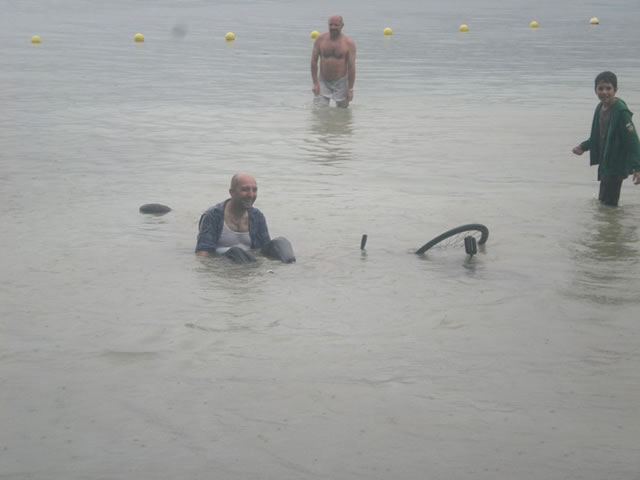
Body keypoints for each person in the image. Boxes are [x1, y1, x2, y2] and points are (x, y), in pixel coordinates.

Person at [572, 71, 640, 206]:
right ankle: (611, 225)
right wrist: (583, 147)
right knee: (604, 203)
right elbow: (598, 135)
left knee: (609, 205)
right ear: (595, 90)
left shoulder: (621, 112)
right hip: (606, 162)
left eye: (608, 88)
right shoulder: (600, 108)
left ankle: (613, 225)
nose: (605, 92)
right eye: (601, 88)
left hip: (616, 164)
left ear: (615, 90)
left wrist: (637, 168)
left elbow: (633, 141)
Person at [195, 173, 295, 263]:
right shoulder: (213, 216)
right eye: (245, 190)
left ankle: (290, 271)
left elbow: (264, 250)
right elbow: (202, 254)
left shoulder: (257, 216)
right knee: (236, 251)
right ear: (232, 192)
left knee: (281, 242)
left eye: (254, 190)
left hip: (251, 259)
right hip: (227, 259)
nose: (251, 195)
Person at [311, 14, 356, 108]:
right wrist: (315, 83)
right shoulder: (320, 39)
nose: (333, 27)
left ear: (342, 26)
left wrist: (350, 89)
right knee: (319, 110)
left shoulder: (349, 43)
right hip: (323, 81)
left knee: (342, 112)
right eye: (330, 25)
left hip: (341, 82)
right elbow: (314, 61)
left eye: (336, 25)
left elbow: (351, 67)